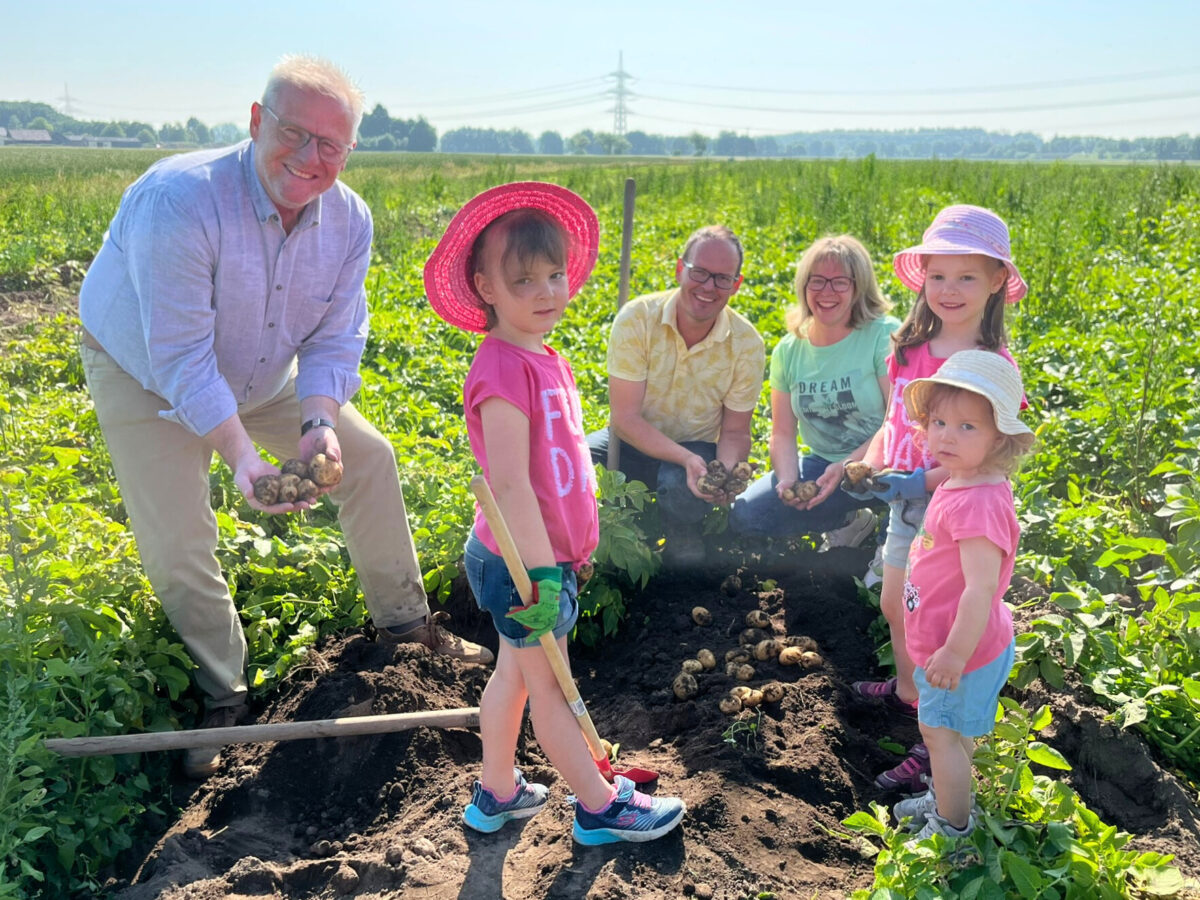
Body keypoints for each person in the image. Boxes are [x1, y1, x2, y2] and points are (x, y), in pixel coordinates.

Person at [77, 55, 491, 780]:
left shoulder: (350, 219)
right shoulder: (180, 200)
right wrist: (241, 458)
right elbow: (179, 359)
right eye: (294, 134)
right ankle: (225, 693)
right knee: (177, 538)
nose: (310, 159)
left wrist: (319, 424)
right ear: (256, 121)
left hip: (261, 367)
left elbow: (334, 337)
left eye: (331, 145)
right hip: (143, 370)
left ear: (350, 151)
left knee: (370, 458)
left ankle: (405, 627)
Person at [423, 181, 686, 845]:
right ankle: (599, 807)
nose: (545, 293)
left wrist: (578, 542)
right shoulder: (502, 368)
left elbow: (560, 468)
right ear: (485, 287)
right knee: (551, 685)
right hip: (521, 565)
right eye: (523, 282)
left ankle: (497, 792)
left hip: (544, 557)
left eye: (554, 275)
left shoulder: (547, 358)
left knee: (515, 674)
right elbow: (510, 486)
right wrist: (543, 576)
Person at [848, 205, 1027, 792]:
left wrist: (917, 482)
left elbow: (982, 456)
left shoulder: (990, 367)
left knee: (937, 610)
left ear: (997, 281)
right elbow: (893, 424)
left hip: (951, 504)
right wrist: (875, 461)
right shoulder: (909, 347)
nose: (949, 290)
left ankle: (938, 732)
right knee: (896, 603)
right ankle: (909, 692)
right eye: (939, 275)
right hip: (904, 501)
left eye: (967, 277)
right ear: (922, 275)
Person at [888, 350, 1033, 844]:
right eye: (941, 422)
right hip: (955, 645)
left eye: (967, 427)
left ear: (1000, 439)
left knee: (940, 737)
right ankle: (949, 796)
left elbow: (981, 589)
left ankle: (950, 831)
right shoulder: (966, 480)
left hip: (961, 651)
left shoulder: (977, 503)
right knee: (953, 736)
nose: (947, 435)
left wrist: (953, 652)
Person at [587, 225, 766, 566]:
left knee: (684, 486)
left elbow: (735, 431)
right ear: (679, 268)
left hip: (697, 445)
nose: (708, 287)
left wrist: (724, 475)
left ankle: (682, 534)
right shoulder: (638, 319)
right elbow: (624, 419)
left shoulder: (746, 343)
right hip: (629, 440)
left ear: (736, 285)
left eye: (722, 279)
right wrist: (682, 459)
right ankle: (600, 543)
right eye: (699, 272)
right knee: (577, 466)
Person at [729, 235, 898, 546]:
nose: (826, 292)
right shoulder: (789, 350)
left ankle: (895, 532)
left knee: (909, 499)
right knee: (748, 515)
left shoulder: (882, 335)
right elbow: (781, 432)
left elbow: (896, 422)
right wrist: (788, 479)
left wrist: (848, 466)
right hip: (824, 467)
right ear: (803, 286)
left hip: (887, 463)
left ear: (858, 286)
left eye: (839, 282)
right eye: (817, 281)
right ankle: (849, 521)